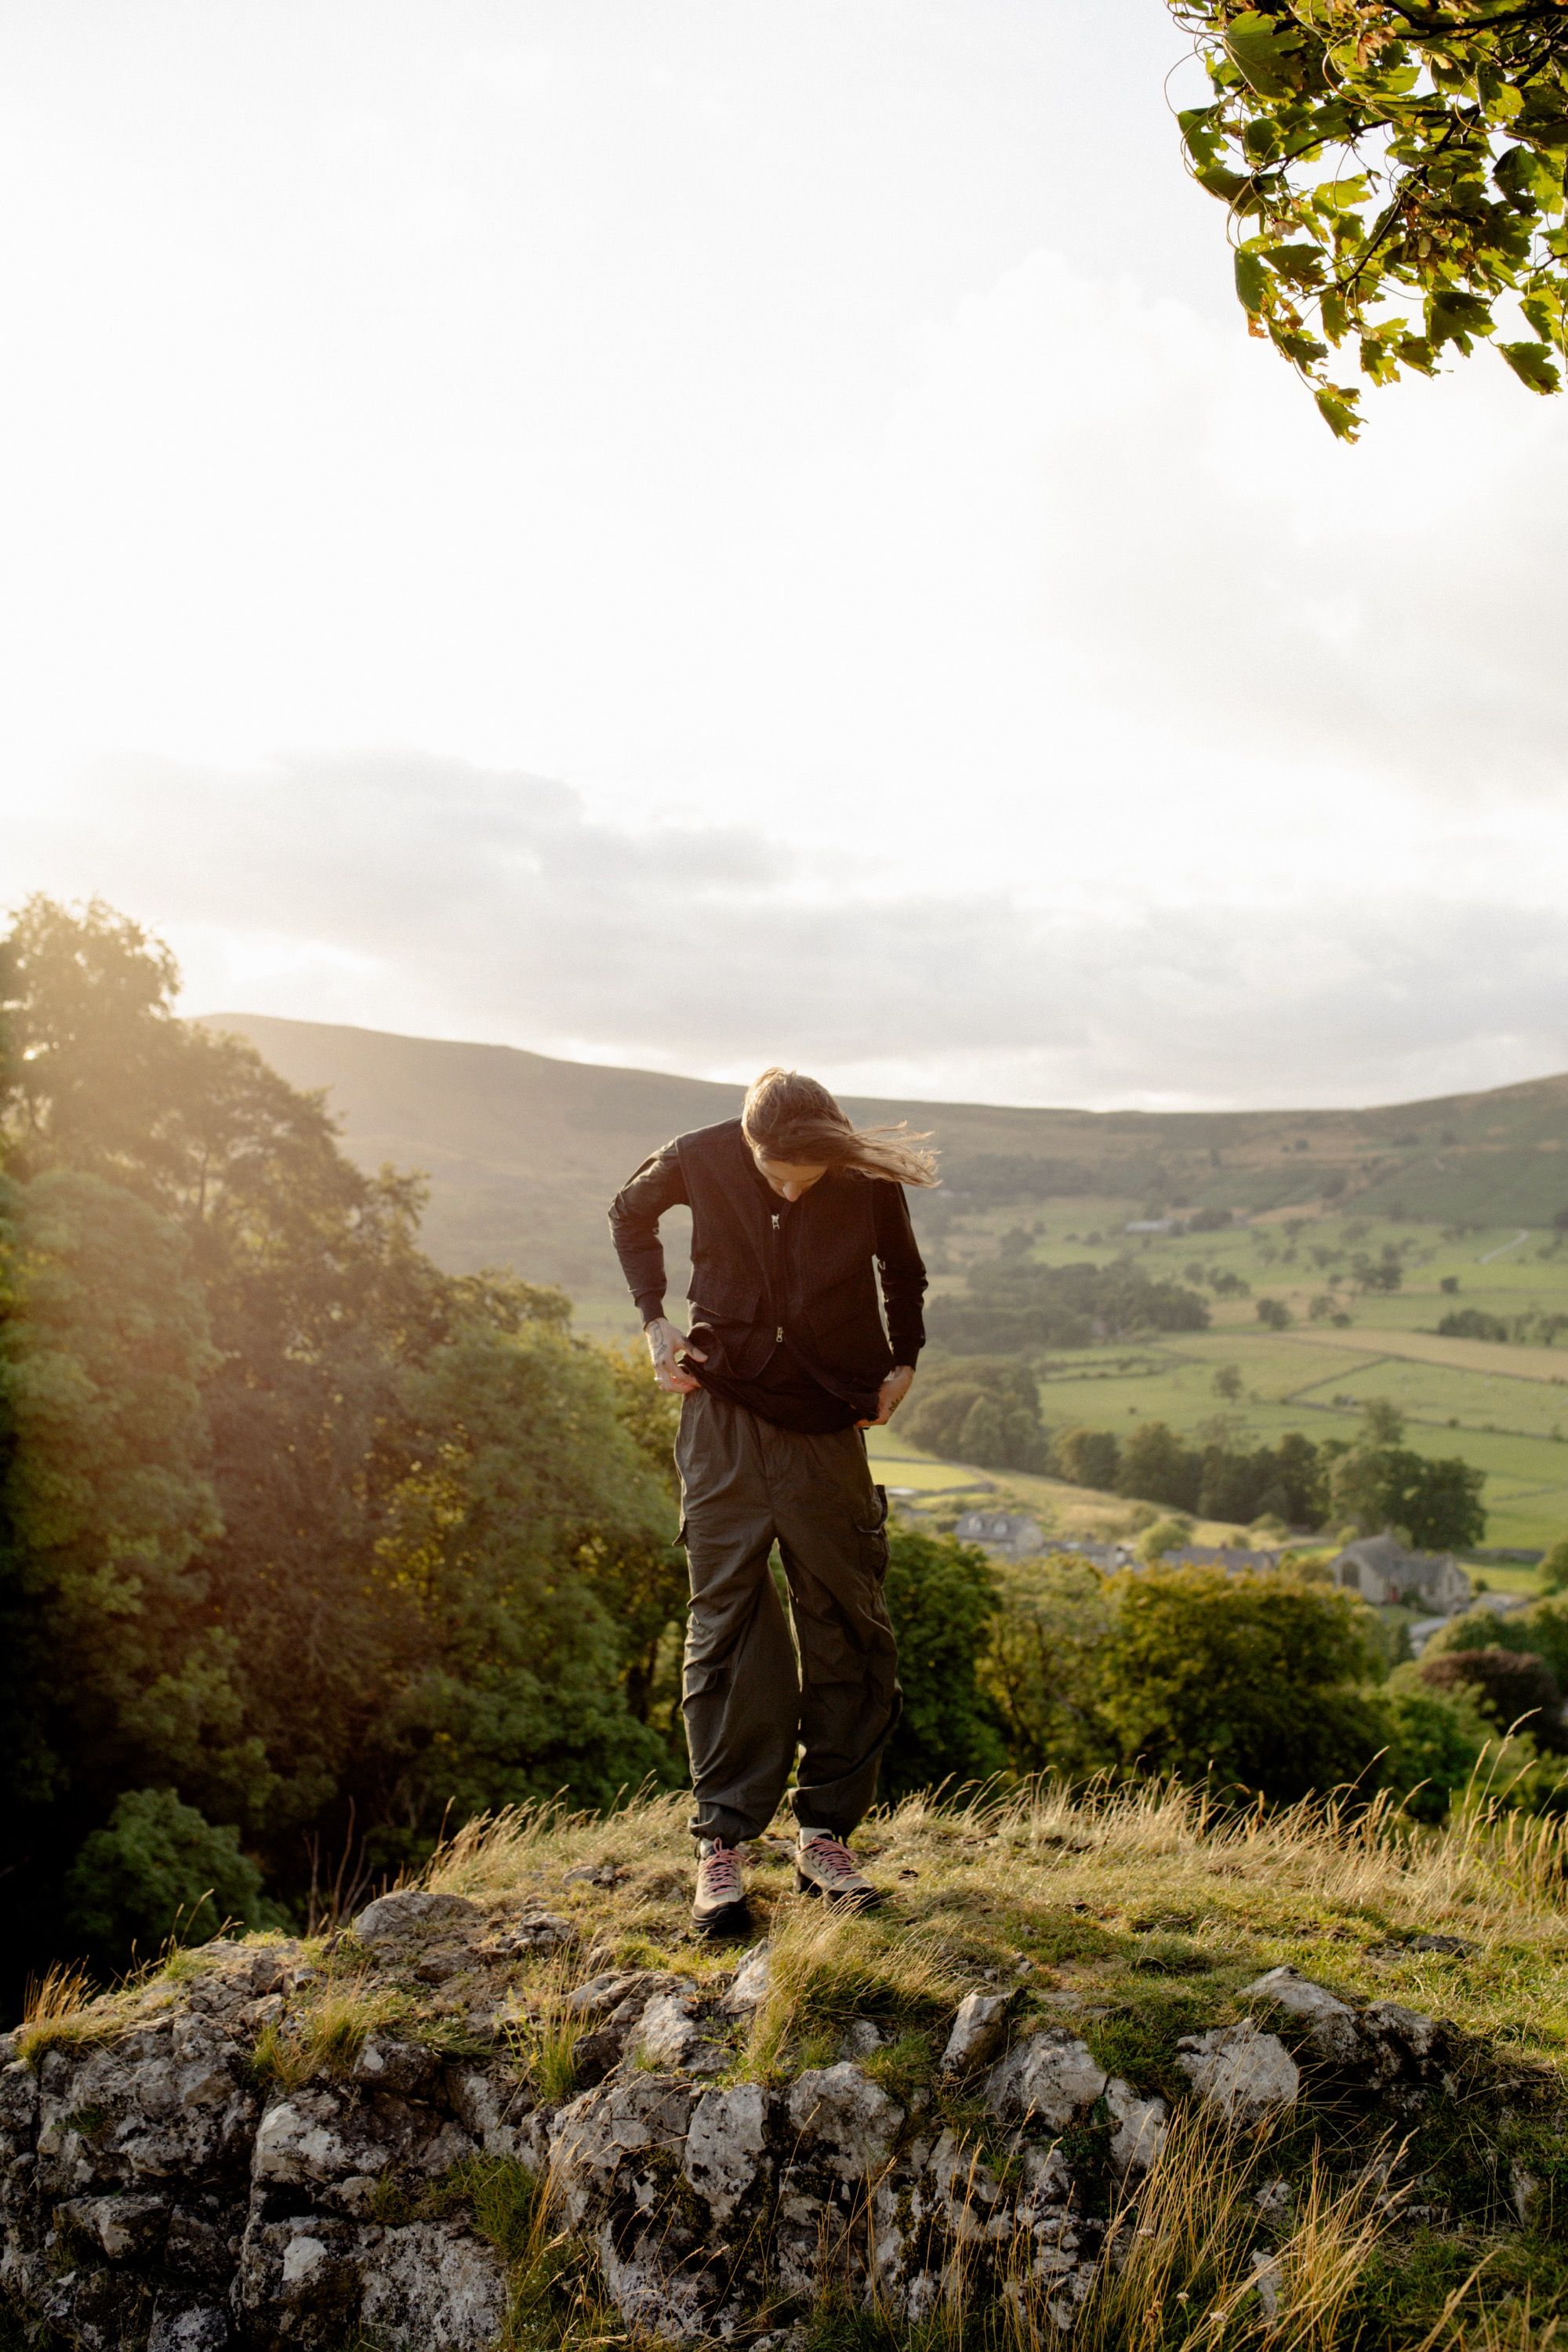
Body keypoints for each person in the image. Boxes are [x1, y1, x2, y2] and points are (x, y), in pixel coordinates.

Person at [608, 1066, 938, 1937]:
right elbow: (627, 1211)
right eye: (774, 1170)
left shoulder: (858, 1175)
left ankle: (824, 1834)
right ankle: (721, 1846)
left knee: (849, 1618)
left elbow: (903, 1276)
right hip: (721, 1415)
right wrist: (652, 1321)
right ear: (747, 1142)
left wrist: (904, 1358)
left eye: (805, 1172)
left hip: (828, 1419)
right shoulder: (700, 1157)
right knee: (727, 1619)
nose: (791, 1184)